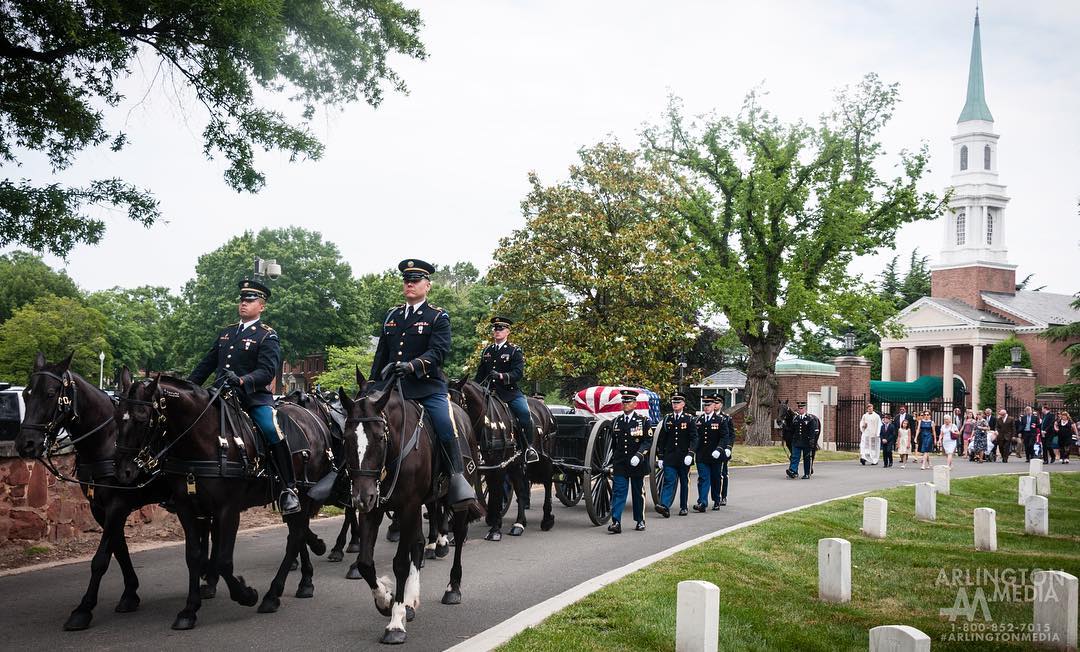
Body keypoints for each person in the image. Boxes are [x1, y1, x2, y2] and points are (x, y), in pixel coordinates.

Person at [368, 259, 477, 512]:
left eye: (415, 281)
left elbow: (438, 352)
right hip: (393, 388)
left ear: (427, 285)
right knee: (363, 421)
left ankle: (456, 477)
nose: (410, 284)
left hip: (427, 387)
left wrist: (412, 366)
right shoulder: (392, 316)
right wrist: (372, 386)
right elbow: (381, 356)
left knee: (445, 424)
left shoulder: (437, 316)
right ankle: (350, 476)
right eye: (407, 280)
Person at [188, 279, 299, 514]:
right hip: (219, 395)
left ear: (262, 306)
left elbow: (267, 371)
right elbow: (205, 365)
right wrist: (189, 388)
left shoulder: (267, 336)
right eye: (242, 300)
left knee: (271, 428)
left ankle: (288, 489)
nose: (244, 304)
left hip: (253, 398)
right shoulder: (227, 333)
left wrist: (241, 380)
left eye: (250, 300)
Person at [474, 316, 539, 464]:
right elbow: (480, 375)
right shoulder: (487, 350)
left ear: (507, 331)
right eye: (495, 329)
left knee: (524, 413)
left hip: (509, 393)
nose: (497, 331)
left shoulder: (514, 350)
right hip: (490, 393)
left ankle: (529, 448)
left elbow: (518, 373)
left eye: (500, 329)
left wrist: (502, 376)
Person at [608, 390, 652, 533]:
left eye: (628, 402)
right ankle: (616, 522)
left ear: (635, 404)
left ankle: (640, 520)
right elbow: (613, 444)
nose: (625, 404)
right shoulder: (616, 422)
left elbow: (648, 441)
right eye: (624, 402)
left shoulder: (643, 421)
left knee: (637, 493)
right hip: (621, 463)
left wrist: (639, 455)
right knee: (619, 492)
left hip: (637, 463)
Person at [655, 394, 698, 517]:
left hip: (684, 457)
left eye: (678, 402)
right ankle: (665, 506)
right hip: (670, 457)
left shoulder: (689, 419)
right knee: (669, 481)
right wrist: (661, 456)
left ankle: (683, 506)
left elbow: (694, 438)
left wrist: (691, 453)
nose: (675, 404)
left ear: (683, 404)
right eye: (674, 402)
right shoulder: (667, 419)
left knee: (684, 482)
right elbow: (662, 440)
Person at [694, 396, 733, 511]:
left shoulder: (721, 420)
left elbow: (725, 436)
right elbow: (695, 437)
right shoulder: (698, 420)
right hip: (702, 455)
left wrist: (720, 449)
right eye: (705, 405)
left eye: (709, 405)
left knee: (716, 478)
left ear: (713, 406)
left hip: (716, 455)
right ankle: (702, 502)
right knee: (703, 478)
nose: (706, 407)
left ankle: (716, 500)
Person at [786, 403, 818, 479]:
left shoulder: (810, 419)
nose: (800, 410)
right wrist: (785, 428)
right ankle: (793, 471)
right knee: (795, 457)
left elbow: (812, 431)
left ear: (805, 409)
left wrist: (812, 440)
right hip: (796, 442)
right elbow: (792, 430)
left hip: (806, 442)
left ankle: (807, 473)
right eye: (799, 408)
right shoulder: (795, 419)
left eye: (802, 408)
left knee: (806, 458)